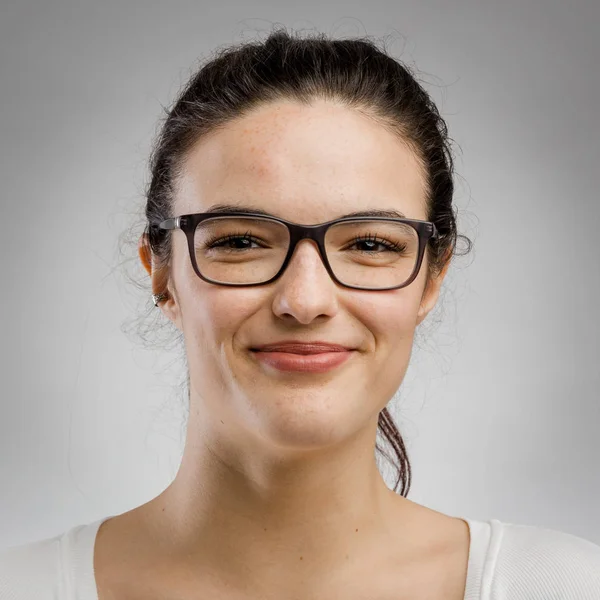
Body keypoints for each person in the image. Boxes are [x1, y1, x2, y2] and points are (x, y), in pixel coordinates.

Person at [1, 27, 599, 600]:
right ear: (163, 273)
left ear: (430, 278)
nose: (305, 301)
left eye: (370, 244)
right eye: (240, 242)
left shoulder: (563, 588)